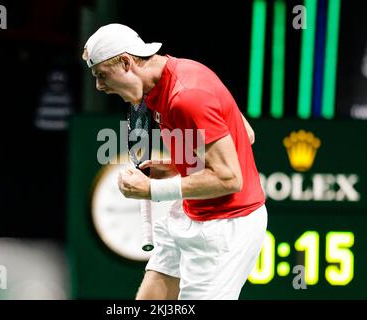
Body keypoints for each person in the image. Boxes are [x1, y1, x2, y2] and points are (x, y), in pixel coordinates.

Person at [82, 23, 267, 300]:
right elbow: (244, 134)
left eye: (102, 75)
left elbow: (230, 178)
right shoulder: (172, 77)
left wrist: (151, 190)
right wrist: (175, 164)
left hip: (225, 226)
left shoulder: (187, 96)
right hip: (190, 211)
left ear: (126, 62)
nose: (99, 86)